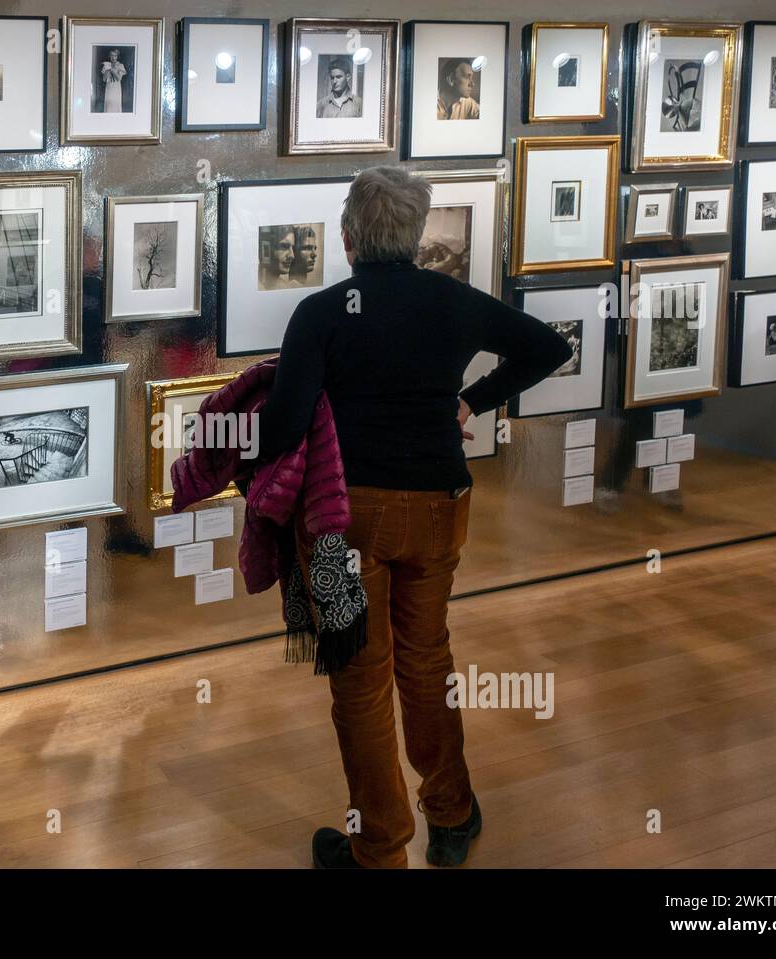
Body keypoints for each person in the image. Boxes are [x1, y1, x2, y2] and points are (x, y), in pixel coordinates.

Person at [257, 166, 572, 869]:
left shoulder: (321, 313)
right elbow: (550, 347)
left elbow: (281, 430)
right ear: (416, 234)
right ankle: (452, 814)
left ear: (346, 238)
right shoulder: (450, 301)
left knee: (359, 677)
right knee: (426, 658)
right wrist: (471, 401)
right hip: (437, 507)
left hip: (339, 522)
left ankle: (380, 846)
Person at [100, 49, 127, 113]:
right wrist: (107, 69)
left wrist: (111, 69)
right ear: (109, 56)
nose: (113, 57)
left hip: (116, 89)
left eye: (115, 55)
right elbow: (104, 79)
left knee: (116, 106)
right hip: (109, 88)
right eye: (111, 55)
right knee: (108, 108)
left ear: (117, 56)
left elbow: (118, 78)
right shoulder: (106, 65)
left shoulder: (120, 65)